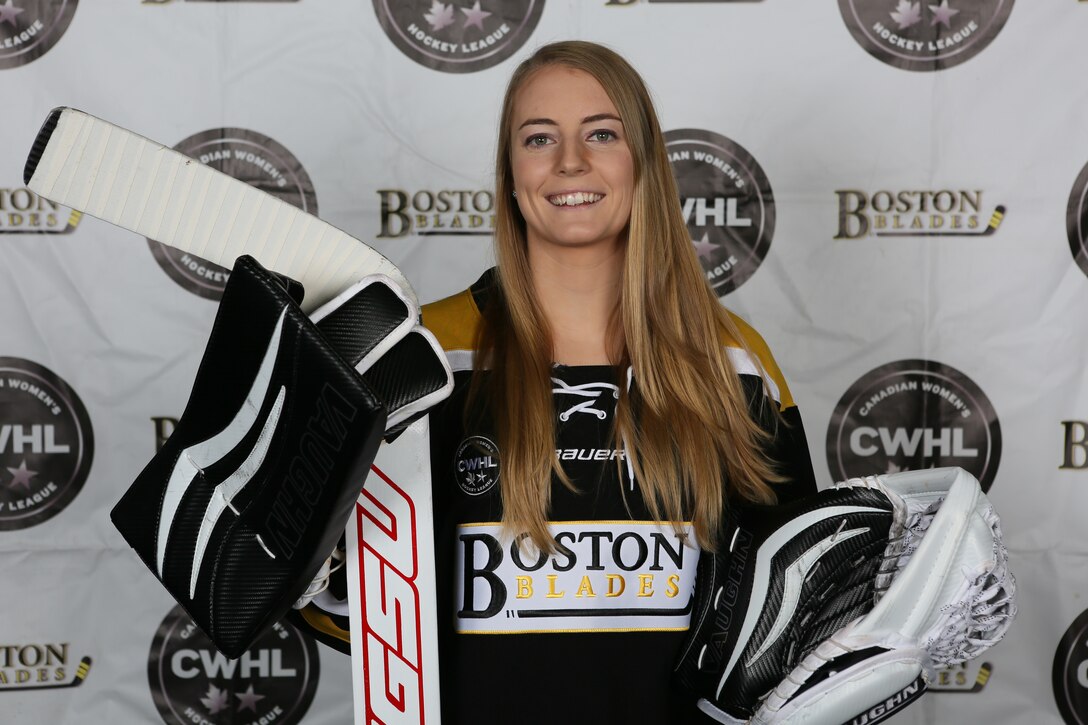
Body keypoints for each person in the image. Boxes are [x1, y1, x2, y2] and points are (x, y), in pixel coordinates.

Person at [294, 40, 817, 724]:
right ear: (511, 175)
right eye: (539, 138)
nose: (571, 161)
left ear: (646, 165)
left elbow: (794, 615)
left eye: (602, 133)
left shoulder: (735, 363)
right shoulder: (422, 356)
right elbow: (356, 615)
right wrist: (301, 561)